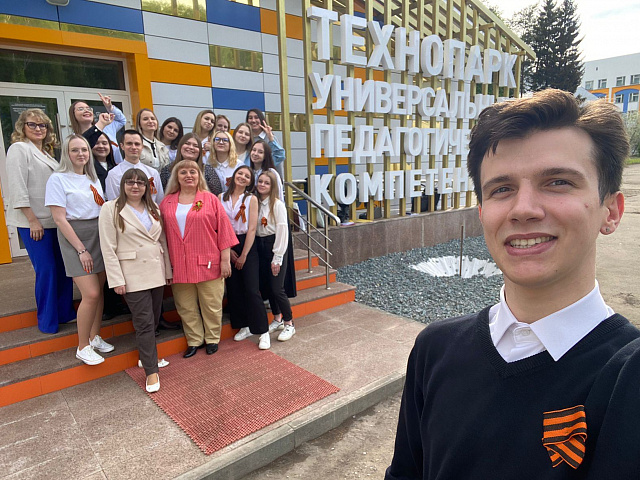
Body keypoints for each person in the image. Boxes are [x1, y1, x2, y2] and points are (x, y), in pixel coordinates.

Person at [386, 89, 640, 479]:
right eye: (502, 189)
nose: (523, 209)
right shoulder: (434, 350)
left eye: (557, 182)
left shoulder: (627, 380)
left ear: (611, 211)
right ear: (482, 213)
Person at [99, 169, 172, 392]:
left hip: (156, 271)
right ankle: (151, 371)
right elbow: (108, 248)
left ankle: (146, 356)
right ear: (122, 185)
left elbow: (162, 241)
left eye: (140, 183)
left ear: (146, 187)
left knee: (154, 319)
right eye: (130, 182)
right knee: (144, 323)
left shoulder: (154, 208)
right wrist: (116, 279)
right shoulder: (111, 208)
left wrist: (168, 271)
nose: (135, 186)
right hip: (131, 274)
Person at [5, 109, 75, 334]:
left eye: (42, 125)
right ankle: (47, 321)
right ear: (22, 127)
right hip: (33, 223)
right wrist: (32, 220)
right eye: (32, 124)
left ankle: (65, 313)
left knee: (62, 268)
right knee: (47, 269)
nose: (38, 129)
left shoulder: (46, 153)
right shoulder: (19, 149)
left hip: (53, 221)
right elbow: (17, 187)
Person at [45, 135, 113, 365]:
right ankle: (82, 346)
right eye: (75, 150)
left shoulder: (91, 177)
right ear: (67, 153)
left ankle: (94, 337)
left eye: (84, 149)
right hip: (75, 237)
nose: (81, 154)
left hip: (97, 233)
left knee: (99, 291)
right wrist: (81, 250)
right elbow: (59, 219)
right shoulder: (57, 179)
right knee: (90, 293)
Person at [160, 160, 238, 357]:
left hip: (208, 261)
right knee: (185, 306)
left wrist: (225, 260)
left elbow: (224, 230)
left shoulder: (209, 199)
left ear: (199, 176)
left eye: (192, 171)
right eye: (183, 172)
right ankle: (194, 340)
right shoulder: (167, 202)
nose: (188, 175)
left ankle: (212, 339)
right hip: (179, 264)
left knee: (211, 304)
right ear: (176, 177)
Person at [220, 166, 270, 349]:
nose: (242, 177)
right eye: (240, 173)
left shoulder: (251, 199)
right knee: (234, 289)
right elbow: (219, 226)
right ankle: (244, 325)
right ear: (234, 176)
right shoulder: (220, 197)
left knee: (251, 289)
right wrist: (228, 250)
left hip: (246, 244)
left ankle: (263, 331)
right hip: (227, 242)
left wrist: (243, 255)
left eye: (247, 176)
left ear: (250, 181)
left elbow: (252, 228)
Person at [256, 171, 295, 342]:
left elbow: (282, 230)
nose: (262, 185)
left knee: (277, 288)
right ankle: (277, 318)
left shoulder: (277, 204)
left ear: (272, 187)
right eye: (260, 181)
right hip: (260, 245)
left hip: (274, 245)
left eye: (267, 183)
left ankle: (289, 323)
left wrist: (277, 257)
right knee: (268, 286)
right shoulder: (255, 202)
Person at [105, 130, 164, 203]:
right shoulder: (113, 174)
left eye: (137, 144)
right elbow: (113, 203)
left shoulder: (153, 173)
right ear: (122, 146)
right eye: (129, 143)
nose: (133, 147)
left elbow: (159, 201)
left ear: (142, 147)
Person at [70, 93, 126, 164]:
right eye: (80, 109)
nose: (86, 110)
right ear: (73, 114)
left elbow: (121, 120)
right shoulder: (74, 139)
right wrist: (100, 124)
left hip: (117, 169)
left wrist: (110, 108)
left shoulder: (106, 127)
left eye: (88, 108)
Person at [246, 109, 285, 174]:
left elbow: (279, 156)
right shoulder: (247, 138)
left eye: (256, 117)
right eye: (250, 118)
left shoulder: (270, 138)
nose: (253, 120)